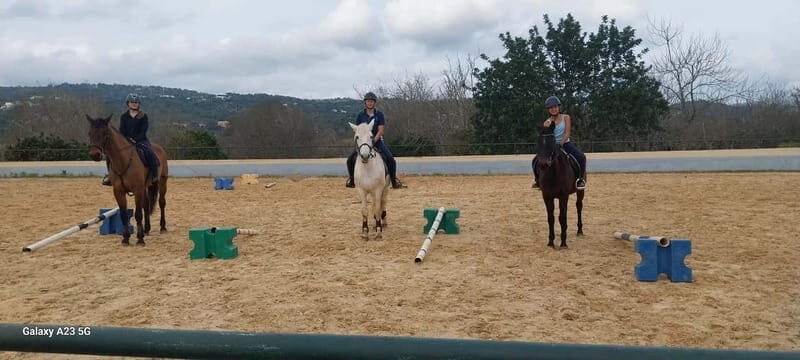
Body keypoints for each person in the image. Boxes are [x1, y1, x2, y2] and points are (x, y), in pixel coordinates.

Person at [345, 92, 406, 189]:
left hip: (376, 141)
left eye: (371, 101)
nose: (370, 103)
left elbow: (381, 130)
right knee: (350, 160)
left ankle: (394, 181)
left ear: (374, 103)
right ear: (365, 103)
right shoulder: (360, 115)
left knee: (390, 159)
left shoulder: (379, 115)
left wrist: (373, 141)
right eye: (368, 101)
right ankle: (352, 180)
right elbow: (358, 130)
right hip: (363, 143)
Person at [102, 93, 160, 186]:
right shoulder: (124, 116)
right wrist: (126, 139)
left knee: (150, 153)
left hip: (141, 140)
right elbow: (122, 130)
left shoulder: (143, 116)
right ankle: (110, 176)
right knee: (110, 155)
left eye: (136, 102)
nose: (134, 104)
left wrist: (136, 140)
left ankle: (154, 175)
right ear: (128, 103)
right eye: (132, 102)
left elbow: (143, 130)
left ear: (139, 104)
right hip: (126, 141)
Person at [532, 96, 586, 190]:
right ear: (548, 110)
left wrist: (560, 143)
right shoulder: (547, 123)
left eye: (555, 107)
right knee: (535, 161)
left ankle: (580, 179)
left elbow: (567, 133)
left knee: (581, 157)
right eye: (551, 108)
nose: (553, 109)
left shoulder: (566, 117)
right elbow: (546, 137)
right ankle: (538, 180)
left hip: (565, 144)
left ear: (559, 107)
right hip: (551, 146)